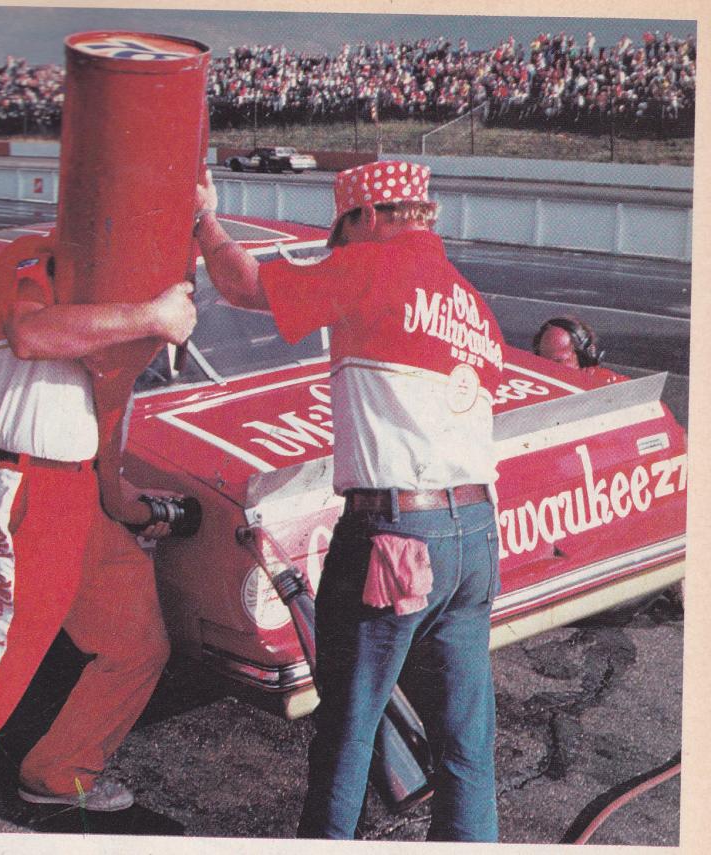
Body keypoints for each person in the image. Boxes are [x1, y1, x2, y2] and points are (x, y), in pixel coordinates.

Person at [194, 163, 504, 840]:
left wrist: (205, 223)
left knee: (349, 727)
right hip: (477, 535)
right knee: (466, 742)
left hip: (396, 534)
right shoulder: (471, 302)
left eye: (340, 232)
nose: (336, 247)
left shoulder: (371, 266)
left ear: (366, 217)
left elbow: (244, 285)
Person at [0, 247, 197, 831]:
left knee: (136, 646)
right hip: (29, 485)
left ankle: (58, 774)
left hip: (83, 493)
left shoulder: (126, 288)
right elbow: (29, 335)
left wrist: (125, 501)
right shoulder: (34, 259)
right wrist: (151, 316)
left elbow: (104, 417)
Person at [531, 316, 623, 383]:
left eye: (558, 362)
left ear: (584, 359)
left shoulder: (607, 384)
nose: (549, 370)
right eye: (543, 362)